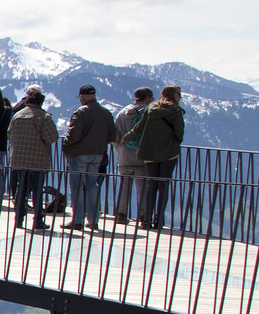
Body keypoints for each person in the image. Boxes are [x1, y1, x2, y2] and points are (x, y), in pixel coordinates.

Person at [59, 84, 115, 231]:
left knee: (76, 186)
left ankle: (77, 221)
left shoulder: (80, 113)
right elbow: (113, 135)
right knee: (92, 186)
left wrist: (66, 145)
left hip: (79, 154)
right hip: (98, 154)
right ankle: (93, 220)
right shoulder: (106, 113)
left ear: (82, 97)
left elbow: (74, 135)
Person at [133, 85, 185, 230]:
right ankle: (159, 220)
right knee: (163, 185)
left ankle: (146, 219)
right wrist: (174, 143)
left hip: (150, 153)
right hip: (169, 153)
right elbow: (179, 133)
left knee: (151, 185)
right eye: (179, 94)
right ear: (174, 95)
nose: (180, 97)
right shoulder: (176, 111)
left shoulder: (151, 109)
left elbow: (139, 127)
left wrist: (126, 138)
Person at [5, 87, 59, 229]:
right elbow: (52, 137)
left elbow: (9, 134)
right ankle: (38, 220)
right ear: (41, 102)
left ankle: (18, 219)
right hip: (37, 159)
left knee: (20, 190)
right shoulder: (43, 117)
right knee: (37, 191)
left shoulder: (17, 115)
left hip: (18, 159)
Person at [110, 86, 154, 224]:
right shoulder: (149, 113)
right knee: (142, 186)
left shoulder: (122, 113)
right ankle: (142, 216)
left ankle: (121, 214)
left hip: (124, 154)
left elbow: (115, 137)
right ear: (147, 98)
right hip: (142, 155)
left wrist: (121, 150)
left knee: (124, 185)